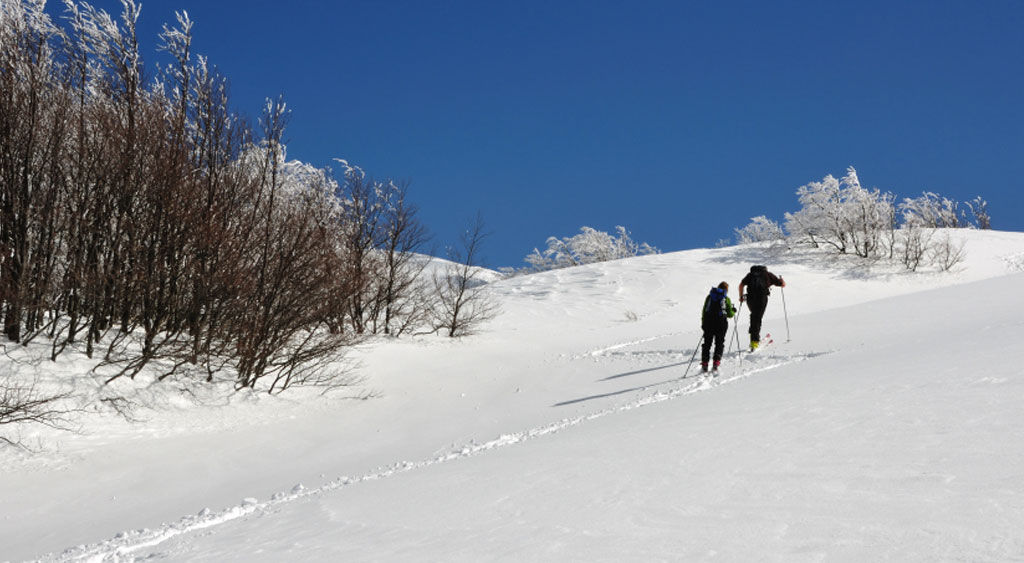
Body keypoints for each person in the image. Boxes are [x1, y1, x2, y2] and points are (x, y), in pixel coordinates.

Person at [738, 264, 785, 351]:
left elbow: (741, 285)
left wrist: (741, 297)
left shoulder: (750, 275)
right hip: (761, 298)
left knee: (754, 316)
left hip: (750, 298)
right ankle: (754, 342)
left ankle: (753, 338)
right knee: (757, 318)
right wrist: (782, 280)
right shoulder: (767, 274)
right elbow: (782, 284)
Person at [700, 281, 736, 373]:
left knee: (707, 343)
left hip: (708, 322)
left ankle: (704, 363)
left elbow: (704, 310)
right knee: (719, 343)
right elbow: (730, 314)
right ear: (726, 290)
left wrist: (703, 322)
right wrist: (733, 311)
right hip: (721, 323)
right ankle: (716, 363)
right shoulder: (726, 299)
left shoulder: (709, 297)